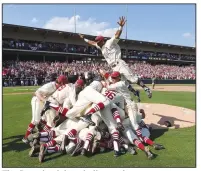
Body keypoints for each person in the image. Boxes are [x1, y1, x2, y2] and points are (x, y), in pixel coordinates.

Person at [78, 16, 152, 99]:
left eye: (98, 41)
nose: (97, 43)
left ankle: (146, 88)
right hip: (114, 67)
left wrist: (121, 26)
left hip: (119, 63)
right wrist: (84, 38)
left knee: (132, 78)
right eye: (97, 42)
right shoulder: (100, 47)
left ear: (102, 40)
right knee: (121, 83)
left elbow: (117, 35)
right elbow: (92, 42)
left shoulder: (110, 42)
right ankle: (135, 92)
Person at [22, 75, 68, 144]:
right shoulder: (50, 86)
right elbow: (36, 93)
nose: (64, 85)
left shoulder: (57, 87)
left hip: (44, 101)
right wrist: (44, 101)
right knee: (35, 120)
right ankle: (25, 137)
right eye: (64, 83)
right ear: (61, 83)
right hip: (37, 100)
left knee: (45, 119)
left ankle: (38, 136)